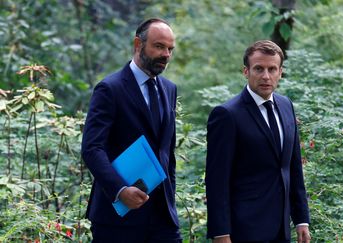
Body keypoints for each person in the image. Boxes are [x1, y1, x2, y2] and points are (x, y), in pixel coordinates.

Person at [81, 18, 181, 242]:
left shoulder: (170, 89)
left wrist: (170, 198)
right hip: (117, 220)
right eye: (159, 46)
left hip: (163, 218)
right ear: (138, 44)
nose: (166, 54)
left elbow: (167, 151)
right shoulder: (109, 88)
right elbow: (92, 149)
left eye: (170, 49)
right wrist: (120, 190)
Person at [205, 40, 311, 243]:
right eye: (258, 69)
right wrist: (221, 234)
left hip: (282, 229)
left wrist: (301, 220)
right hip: (243, 230)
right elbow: (216, 181)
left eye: (272, 69)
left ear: (280, 72)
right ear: (246, 71)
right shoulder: (227, 115)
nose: (266, 76)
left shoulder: (286, 105)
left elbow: (293, 168)